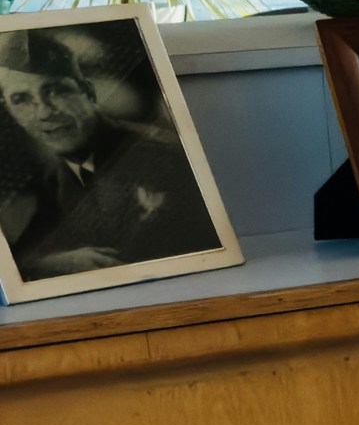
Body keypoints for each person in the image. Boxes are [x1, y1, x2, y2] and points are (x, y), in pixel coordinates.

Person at [0, 30, 219, 278]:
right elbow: (21, 257)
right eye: (21, 99)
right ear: (11, 113)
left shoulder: (162, 155)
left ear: (88, 93)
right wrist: (53, 263)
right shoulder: (57, 178)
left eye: (57, 91)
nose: (43, 113)